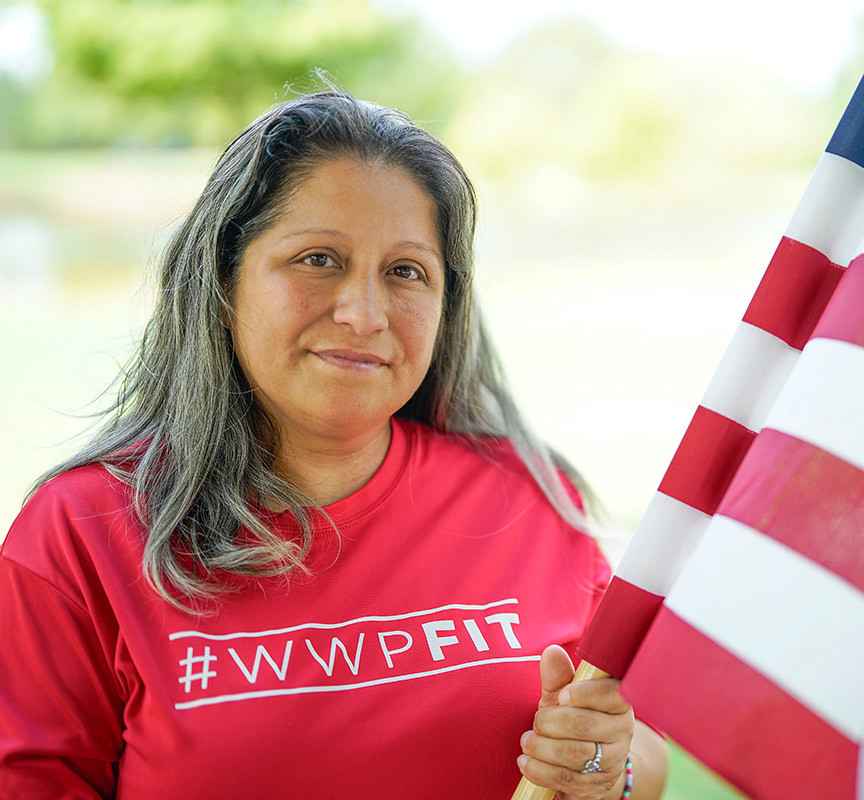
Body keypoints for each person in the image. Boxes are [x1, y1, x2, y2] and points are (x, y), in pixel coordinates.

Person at [0, 88, 667, 799]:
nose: (364, 313)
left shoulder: (531, 495)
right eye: (318, 258)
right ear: (224, 284)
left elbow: (637, 743)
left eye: (406, 271)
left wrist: (607, 774)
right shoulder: (81, 532)